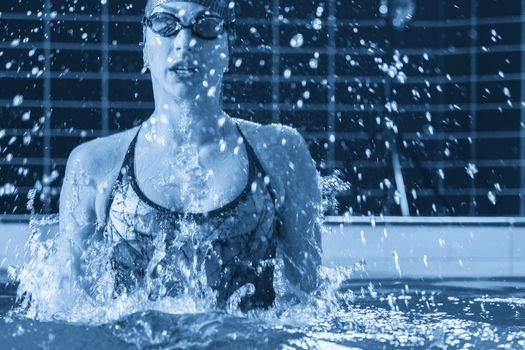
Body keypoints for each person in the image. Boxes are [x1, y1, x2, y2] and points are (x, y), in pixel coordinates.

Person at [58, 0, 321, 311]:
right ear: (145, 44)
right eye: (165, 24)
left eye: (206, 25)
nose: (184, 43)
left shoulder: (281, 155)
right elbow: (69, 315)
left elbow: (306, 308)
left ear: (228, 47)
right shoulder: (94, 166)